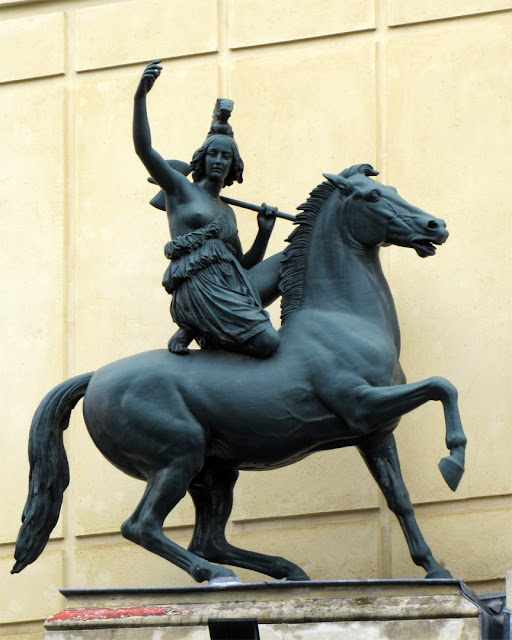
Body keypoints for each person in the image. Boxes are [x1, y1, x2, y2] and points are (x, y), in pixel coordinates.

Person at [133, 60, 280, 357]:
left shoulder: (227, 211)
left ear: (233, 166)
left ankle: (197, 327)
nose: (218, 160)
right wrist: (140, 98)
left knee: (289, 261)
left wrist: (263, 234)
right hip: (200, 287)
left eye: (225, 157)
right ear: (202, 158)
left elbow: (244, 266)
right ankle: (194, 322)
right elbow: (144, 149)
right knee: (269, 344)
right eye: (212, 153)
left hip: (229, 286)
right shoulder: (179, 188)